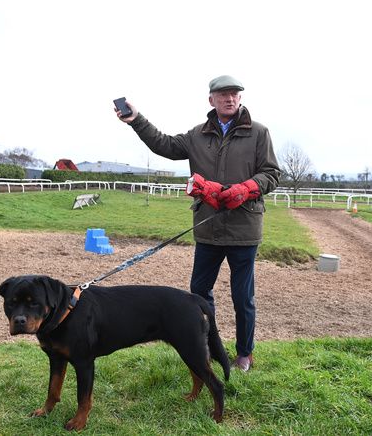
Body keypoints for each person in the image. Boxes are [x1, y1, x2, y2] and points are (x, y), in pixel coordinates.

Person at [115, 75, 280, 372]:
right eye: (223, 95)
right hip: (207, 228)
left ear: (240, 99)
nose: (230, 99)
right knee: (199, 295)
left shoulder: (259, 133)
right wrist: (137, 120)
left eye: (234, 94)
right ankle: (209, 348)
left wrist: (248, 188)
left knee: (243, 298)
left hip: (245, 230)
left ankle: (244, 354)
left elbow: (271, 174)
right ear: (211, 100)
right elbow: (163, 144)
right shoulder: (196, 136)